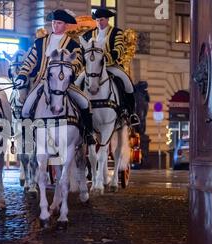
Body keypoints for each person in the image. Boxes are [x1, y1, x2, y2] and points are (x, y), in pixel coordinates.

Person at [15, 9, 96, 144]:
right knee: (26, 108)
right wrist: (23, 74)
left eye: (59, 23)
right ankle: (27, 138)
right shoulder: (40, 42)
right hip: (41, 82)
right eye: (53, 23)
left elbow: (78, 61)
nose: (55, 25)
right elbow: (30, 61)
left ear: (66, 25)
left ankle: (88, 134)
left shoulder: (73, 44)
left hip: (64, 84)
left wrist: (71, 73)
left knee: (85, 102)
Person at [81, 8, 140, 126]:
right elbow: (82, 50)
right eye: (97, 20)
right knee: (77, 82)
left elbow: (119, 49)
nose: (99, 23)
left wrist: (104, 59)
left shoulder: (116, 33)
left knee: (127, 83)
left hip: (111, 66)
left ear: (107, 20)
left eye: (101, 20)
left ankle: (130, 112)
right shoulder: (88, 34)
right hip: (92, 68)